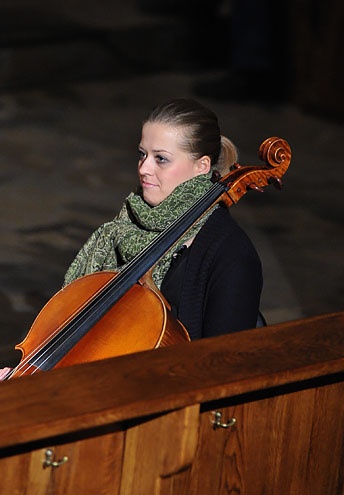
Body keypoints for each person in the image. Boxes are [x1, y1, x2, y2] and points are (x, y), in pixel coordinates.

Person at [0, 98, 263, 381]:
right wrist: (21, 379)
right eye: (142, 154)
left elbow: (223, 372)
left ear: (201, 166)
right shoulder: (124, 227)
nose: (144, 168)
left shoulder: (231, 255)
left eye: (160, 158)